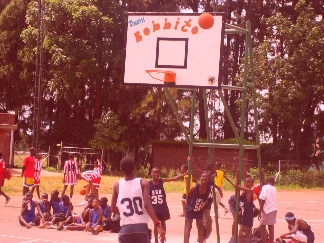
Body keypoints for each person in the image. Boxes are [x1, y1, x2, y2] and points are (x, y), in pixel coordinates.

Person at [111, 156, 165, 243]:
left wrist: (126, 214)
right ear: (135, 168)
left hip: (125, 229)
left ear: (121, 169)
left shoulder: (117, 185)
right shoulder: (143, 182)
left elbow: (113, 208)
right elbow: (147, 205)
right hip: (141, 228)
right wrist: (158, 225)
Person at [149, 167, 186, 243]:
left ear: (159, 174)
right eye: (154, 172)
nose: (156, 174)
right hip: (154, 208)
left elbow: (173, 179)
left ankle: (162, 239)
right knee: (156, 224)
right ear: (151, 174)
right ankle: (156, 240)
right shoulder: (148, 183)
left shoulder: (161, 181)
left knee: (163, 223)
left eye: (157, 172)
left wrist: (184, 174)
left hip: (162, 207)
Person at [184, 172, 210, 243]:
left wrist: (204, 203)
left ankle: (200, 241)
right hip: (191, 208)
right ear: (200, 178)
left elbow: (206, 199)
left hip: (199, 209)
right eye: (202, 176)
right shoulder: (196, 187)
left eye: (206, 177)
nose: (204, 178)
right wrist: (188, 204)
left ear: (208, 180)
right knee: (189, 226)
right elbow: (188, 194)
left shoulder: (208, 188)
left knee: (200, 227)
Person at [233, 169, 254, 243]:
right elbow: (236, 198)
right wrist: (236, 189)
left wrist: (236, 176)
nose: (246, 183)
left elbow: (236, 185)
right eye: (245, 181)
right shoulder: (244, 193)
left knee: (243, 238)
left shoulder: (249, 191)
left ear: (252, 184)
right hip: (244, 218)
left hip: (247, 219)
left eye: (249, 182)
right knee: (245, 237)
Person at [258, 177, 277, 243]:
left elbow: (262, 199)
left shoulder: (265, 187)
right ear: (273, 182)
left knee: (262, 226)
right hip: (274, 208)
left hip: (267, 209)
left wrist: (259, 212)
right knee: (271, 226)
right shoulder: (274, 188)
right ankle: (270, 241)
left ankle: (264, 241)